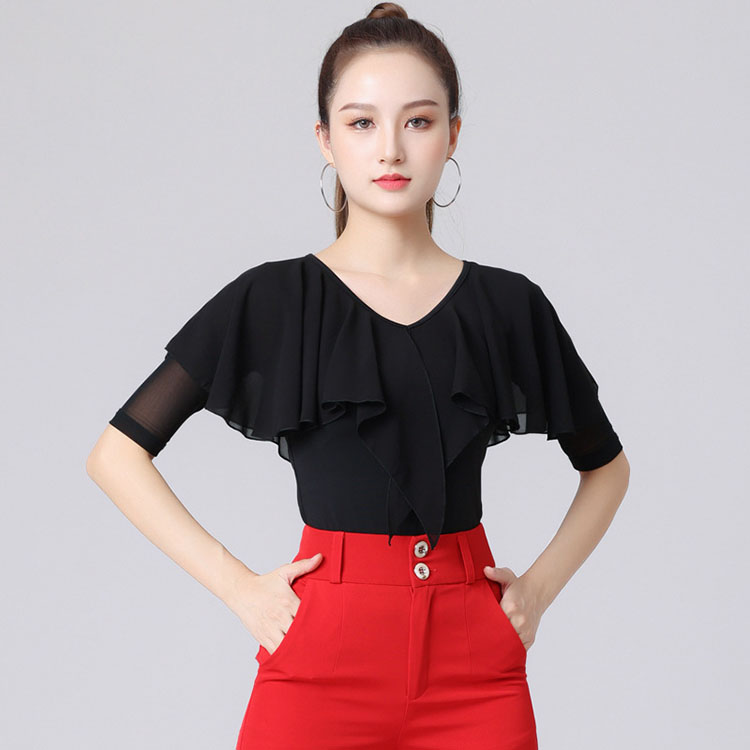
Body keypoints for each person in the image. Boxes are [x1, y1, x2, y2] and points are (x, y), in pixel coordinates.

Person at [86, 3, 630, 748]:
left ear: (453, 136)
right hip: (321, 656)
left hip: (474, 665)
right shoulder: (275, 298)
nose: (391, 150)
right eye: (362, 122)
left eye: (418, 121)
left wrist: (535, 592)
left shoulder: (508, 305)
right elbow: (116, 456)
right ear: (326, 139)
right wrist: (240, 589)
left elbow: (607, 467)